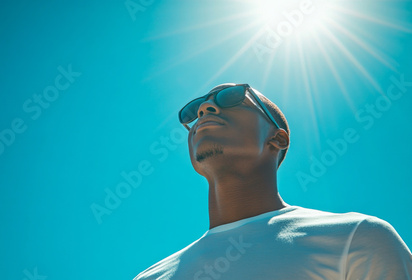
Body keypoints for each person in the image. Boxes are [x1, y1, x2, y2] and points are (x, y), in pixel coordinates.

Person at [133, 83, 412, 279]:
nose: (205, 109)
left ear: (277, 138)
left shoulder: (358, 238)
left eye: (231, 97)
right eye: (196, 111)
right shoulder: (150, 277)